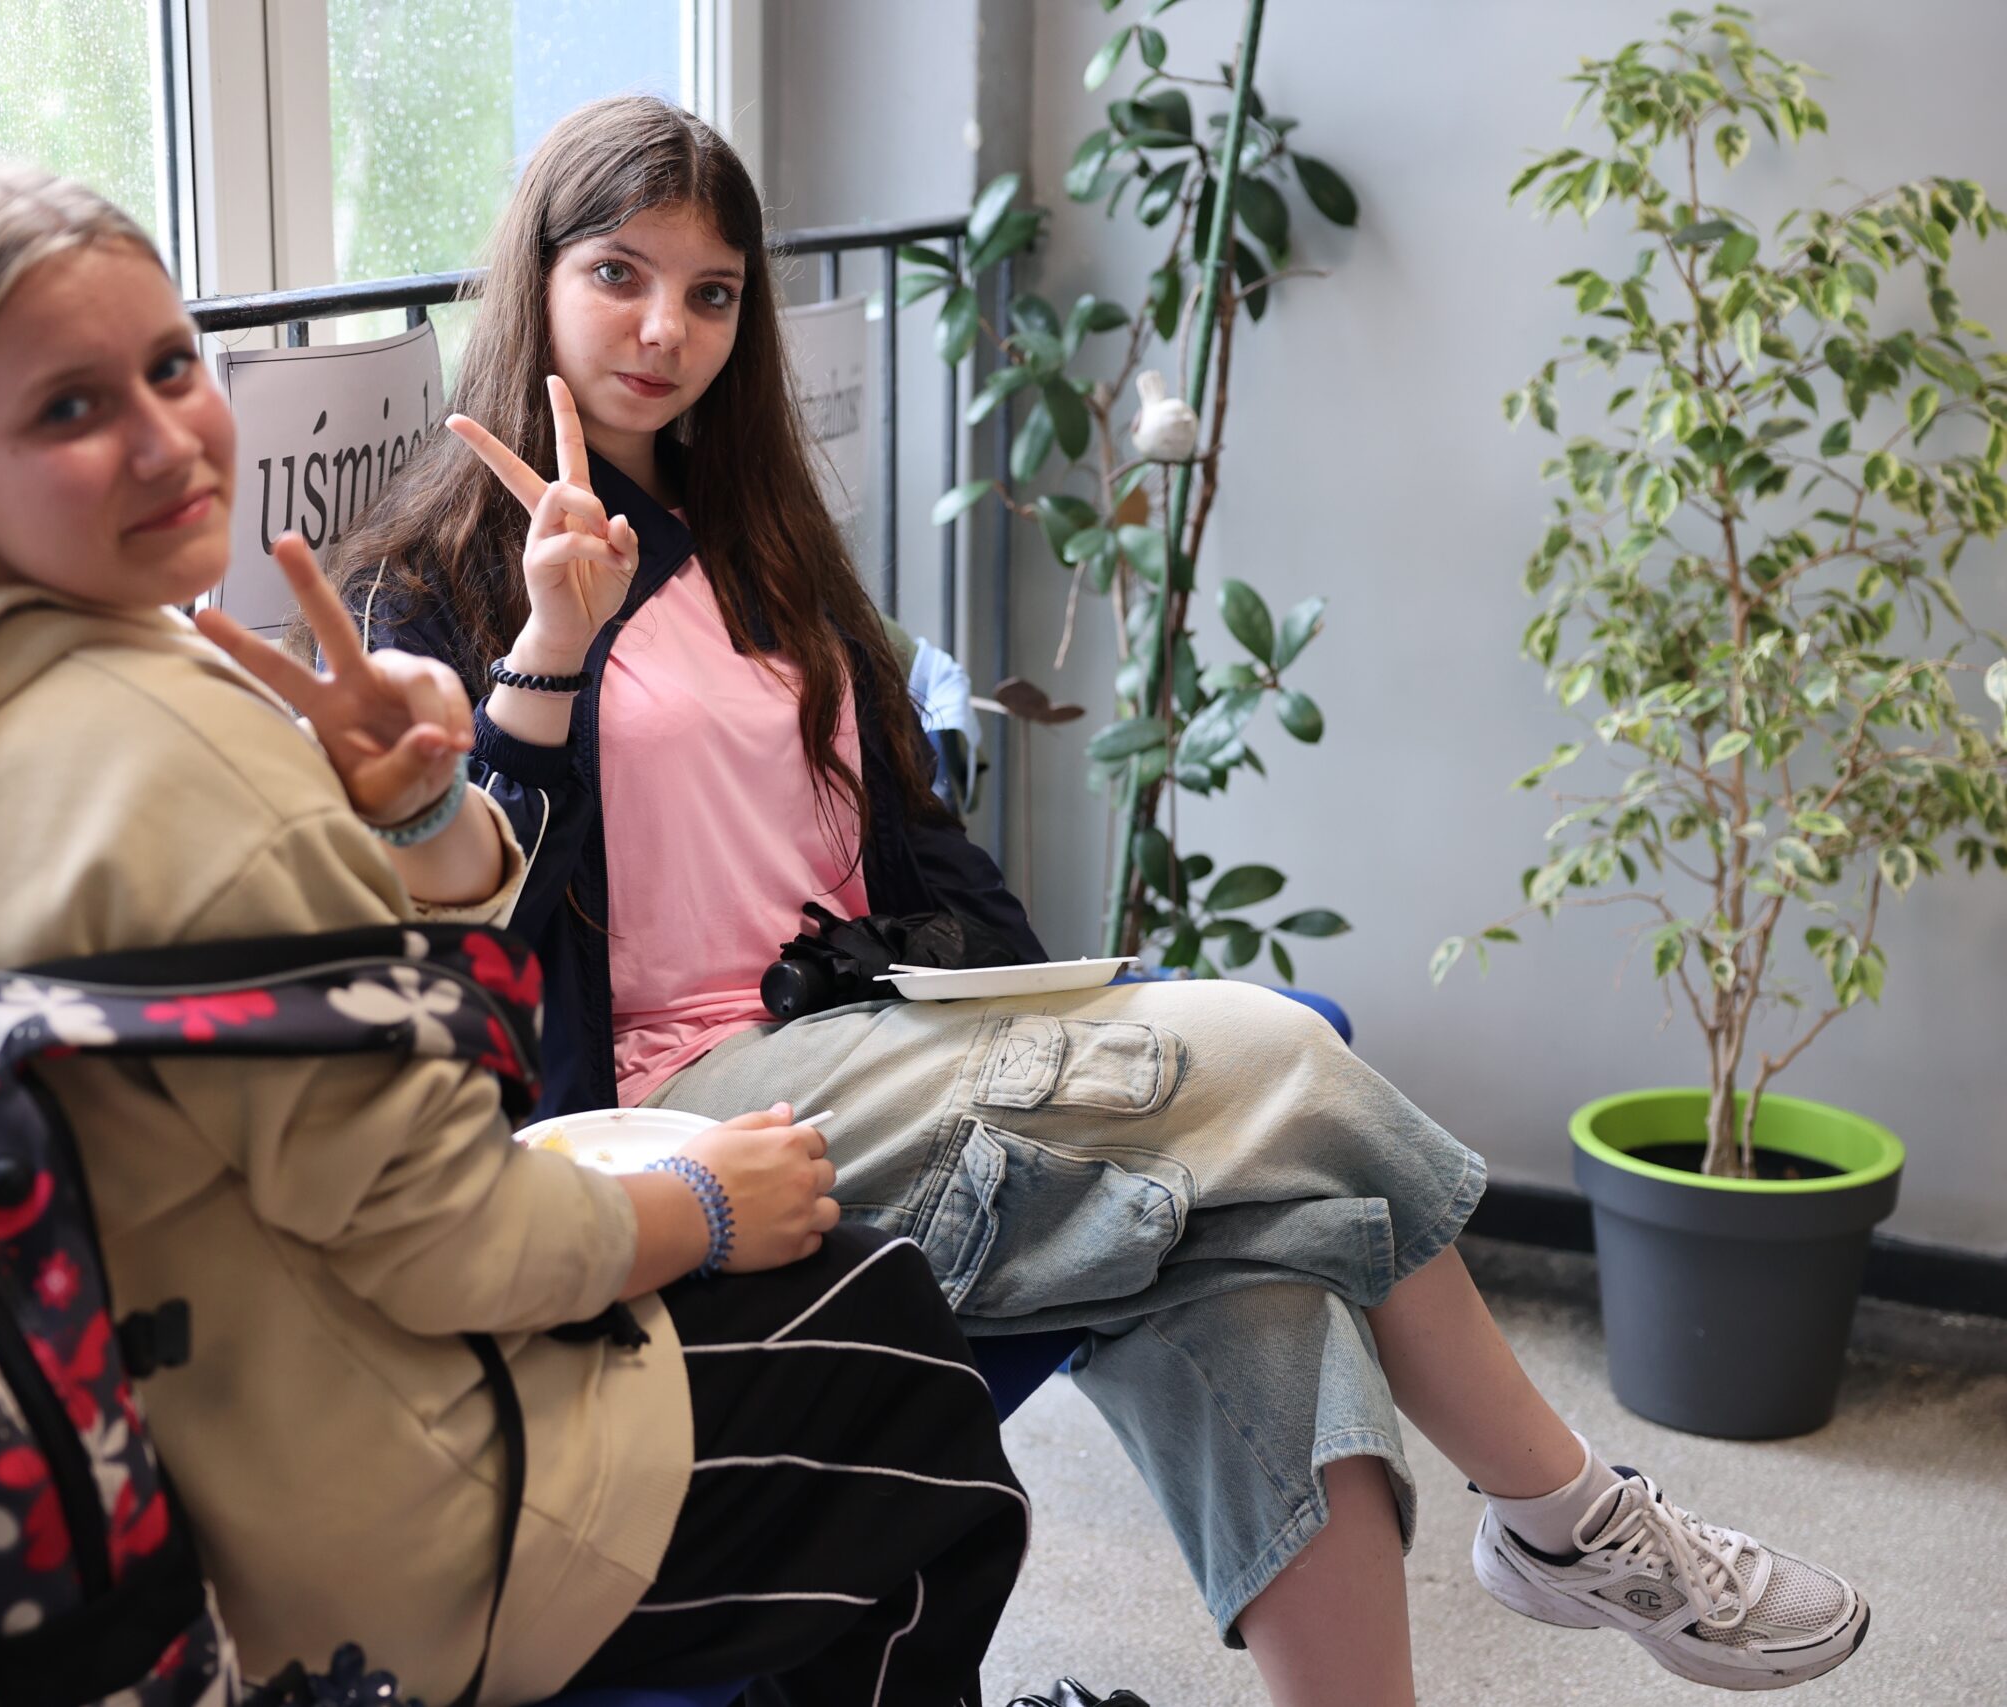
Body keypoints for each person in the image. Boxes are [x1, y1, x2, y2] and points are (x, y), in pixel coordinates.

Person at [331, 95, 1872, 1705]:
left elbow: (916, 843)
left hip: (878, 1032)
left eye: (710, 292)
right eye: (618, 274)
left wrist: (1046, 1017)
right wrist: (551, 648)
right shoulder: (425, 584)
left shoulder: (766, 544)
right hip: (689, 1106)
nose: (666, 330)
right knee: (1282, 1056)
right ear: (537, 277)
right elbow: (464, 949)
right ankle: (1570, 1514)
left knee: (1267, 1274)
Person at [0, 158, 1030, 1707]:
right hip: (331, 1531)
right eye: (68, 409)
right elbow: (462, 1238)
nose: (167, 438)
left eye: (171, 366)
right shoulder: (179, 751)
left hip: (76, 1455)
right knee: (899, 1366)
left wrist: (416, 820)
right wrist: (705, 1208)